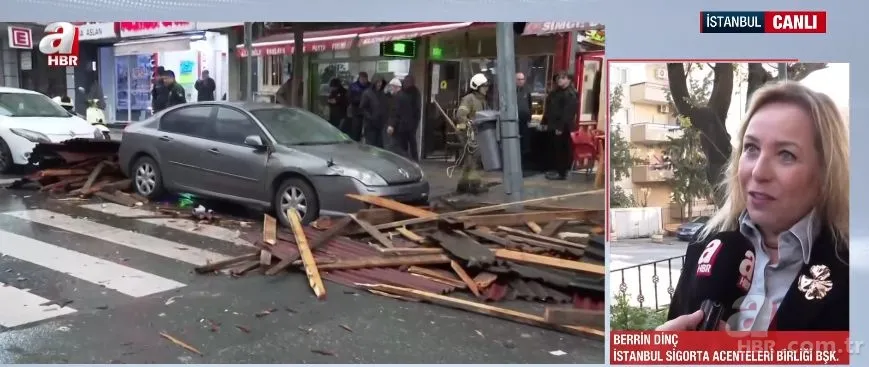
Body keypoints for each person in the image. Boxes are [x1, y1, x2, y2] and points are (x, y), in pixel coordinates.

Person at [660, 82, 849, 332]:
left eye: (786, 154)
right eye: (751, 148)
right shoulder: (708, 244)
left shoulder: (850, 263)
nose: (759, 172)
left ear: (825, 172)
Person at [454, 73, 490, 194]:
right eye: (484, 86)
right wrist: (469, 122)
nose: (486, 88)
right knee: (474, 157)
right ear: (477, 87)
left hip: (476, 133)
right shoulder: (469, 98)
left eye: (487, 86)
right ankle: (474, 184)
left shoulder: (482, 100)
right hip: (466, 133)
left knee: (471, 159)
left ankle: (463, 185)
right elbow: (460, 114)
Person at [540, 71, 578, 181]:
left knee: (562, 149)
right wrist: (544, 122)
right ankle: (556, 170)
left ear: (569, 80)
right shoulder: (555, 92)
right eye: (558, 78)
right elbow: (549, 108)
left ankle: (562, 173)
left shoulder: (570, 93)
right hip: (553, 125)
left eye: (563, 78)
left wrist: (560, 127)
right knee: (554, 149)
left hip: (562, 127)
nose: (559, 80)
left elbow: (568, 112)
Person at [388, 75, 422, 161]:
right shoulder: (404, 94)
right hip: (406, 124)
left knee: (405, 145)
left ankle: (410, 161)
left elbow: (396, 111)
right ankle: (411, 161)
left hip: (407, 124)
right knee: (407, 145)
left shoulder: (410, 94)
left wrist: (392, 124)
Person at [358, 75, 389, 148]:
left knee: (380, 146)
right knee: (371, 146)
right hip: (370, 125)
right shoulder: (367, 93)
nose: (379, 84)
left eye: (381, 82)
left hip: (380, 125)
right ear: (374, 82)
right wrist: (370, 117)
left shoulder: (382, 93)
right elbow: (362, 108)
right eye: (378, 82)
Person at [515, 72, 533, 168]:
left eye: (522, 79)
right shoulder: (512, 91)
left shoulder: (527, 90)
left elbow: (530, 104)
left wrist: (530, 116)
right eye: (518, 79)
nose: (521, 81)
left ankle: (523, 163)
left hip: (524, 120)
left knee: (525, 142)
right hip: (514, 121)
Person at [345, 72, 370, 141]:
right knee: (356, 129)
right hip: (357, 111)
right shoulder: (353, 86)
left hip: (367, 112)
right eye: (362, 78)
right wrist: (358, 100)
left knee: (368, 130)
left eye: (365, 78)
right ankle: (356, 142)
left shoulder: (370, 86)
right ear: (359, 78)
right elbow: (348, 97)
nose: (364, 80)